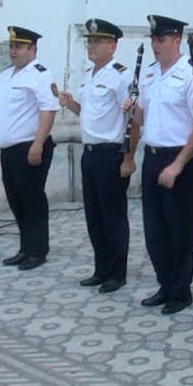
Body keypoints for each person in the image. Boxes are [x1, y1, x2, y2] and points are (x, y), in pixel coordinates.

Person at [123, 15, 193, 315]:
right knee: (154, 228)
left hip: (179, 156)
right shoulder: (149, 74)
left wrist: (179, 165)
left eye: (160, 40)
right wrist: (132, 111)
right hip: (153, 155)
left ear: (176, 40)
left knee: (179, 227)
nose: (155, 45)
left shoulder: (191, 75)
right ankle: (166, 284)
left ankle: (181, 290)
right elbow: (145, 117)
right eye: (153, 40)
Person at [58, 19, 133, 293]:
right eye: (89, 41)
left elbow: (131, 119)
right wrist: (71, 104)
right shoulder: (89, 76)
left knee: (112, 216)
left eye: (97, 41)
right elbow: (89, 115)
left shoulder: (120, 76)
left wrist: (129, 157)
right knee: (94, 216)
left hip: (111, 154)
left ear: (112, 46)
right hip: (89, 153)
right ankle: (101, 268)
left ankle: (116, 272)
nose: (91, 45)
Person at [0, 27, 60, 271]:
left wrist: (38, 143)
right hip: (9, 151)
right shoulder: (6, 76)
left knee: (32, 199)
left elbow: (48, 111)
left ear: (32, 49)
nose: (13, 51)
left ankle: (38, 250)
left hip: (30, 147)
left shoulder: (40, 75)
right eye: (11, 46)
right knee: (16, 200)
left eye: (19, 47)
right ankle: (25, 247)